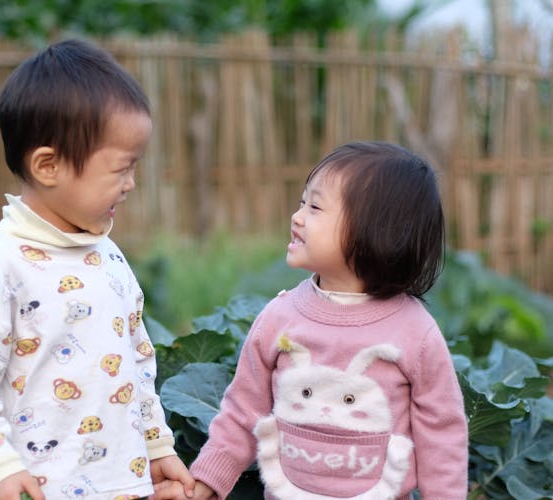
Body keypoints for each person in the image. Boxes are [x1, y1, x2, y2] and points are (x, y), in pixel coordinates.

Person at [0, 38, 194, 500]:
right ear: (49, 165)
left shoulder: (107, 256)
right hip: (35, 489)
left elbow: (137, 362)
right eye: (121, 168)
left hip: (122, 485)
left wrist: (156, 446)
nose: (131, 184)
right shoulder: (1, 265)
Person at [184, 142, 468, 499]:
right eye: (302, 202)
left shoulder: (415, 331)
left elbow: (441, 435)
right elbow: (243, 411)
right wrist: (210, 480)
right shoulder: (280, 317)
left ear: (377, 232)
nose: (297, 216)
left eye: (315, 207)